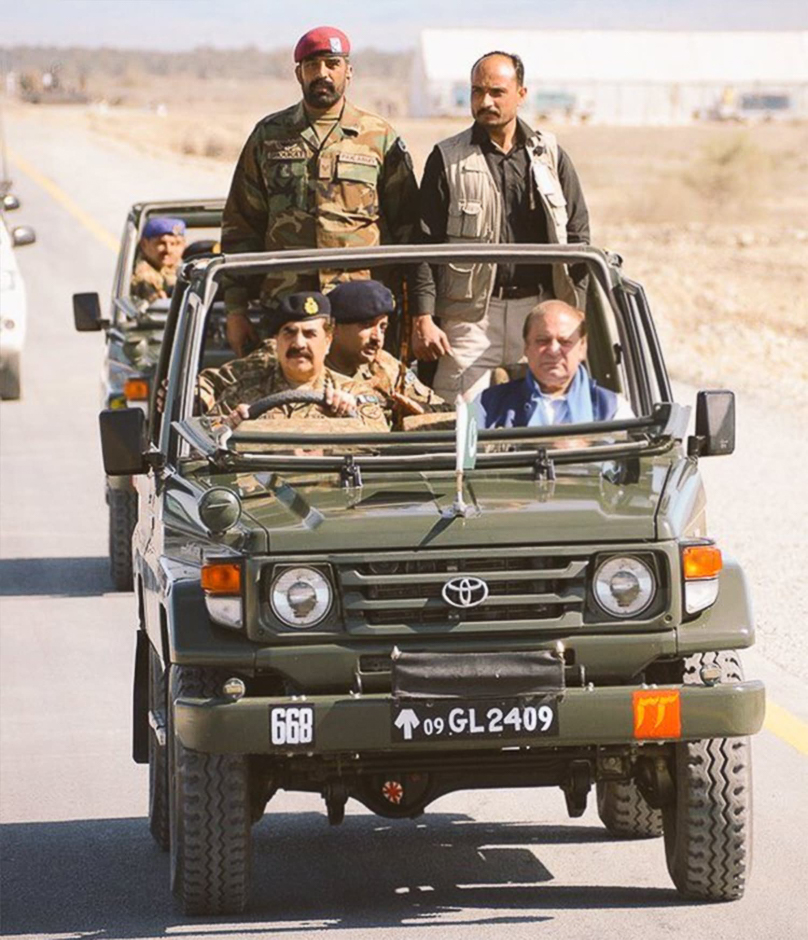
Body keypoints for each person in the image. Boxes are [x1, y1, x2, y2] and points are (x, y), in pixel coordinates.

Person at [221, 25, 419, 356]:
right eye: (312, 66)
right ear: (298, 73)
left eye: (332, 64)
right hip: (288, 309)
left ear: (349, 71)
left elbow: (409, 229)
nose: (322, 74)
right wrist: (235, 310)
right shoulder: (268, 136)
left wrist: (416, 312)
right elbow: (242, 225)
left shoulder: (379, 137)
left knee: (364, 402)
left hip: (361, 309)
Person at [412, 50, 591, 402]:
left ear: (521, 94)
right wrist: (424, 317)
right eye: (477, 92)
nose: (485, 101)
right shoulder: (447, 158)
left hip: (540, 312)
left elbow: (578, 237)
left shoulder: (549, 156)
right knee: (457, 427)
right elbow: (424, 245)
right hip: (470, 316)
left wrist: (576, 311)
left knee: (550, 419)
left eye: (496, 92)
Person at [199, 290, 388, 431]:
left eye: (310, 334)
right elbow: (202, 443)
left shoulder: (353, 393)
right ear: (277, 341)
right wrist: (228, 426)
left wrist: (350, 419)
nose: (299, 343)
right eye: (289, 333)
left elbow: (379, 447)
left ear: (328, 342)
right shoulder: (241, 393)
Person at [475, 300, 633, 428]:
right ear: (526, 347)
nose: (553, 350)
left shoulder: (613, 410)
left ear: (582, 348)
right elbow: (467, 465)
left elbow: (634, 464)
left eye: (564, 342)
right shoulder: (487, 405)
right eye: (542, 341)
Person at [326, 279, 450, 427]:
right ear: (334, 328)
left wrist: (422, 410)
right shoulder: (310, 375)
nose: (377, 337)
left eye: (382, 327)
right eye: (366, 325)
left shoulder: (383, 365)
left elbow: (445, 411)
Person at [130, 217, 186, 305]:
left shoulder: (187, 270)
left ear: (183, 245)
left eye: (175, 244)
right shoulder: (142, 276)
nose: (168, 250)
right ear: (144, 244)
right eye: (161, 243)